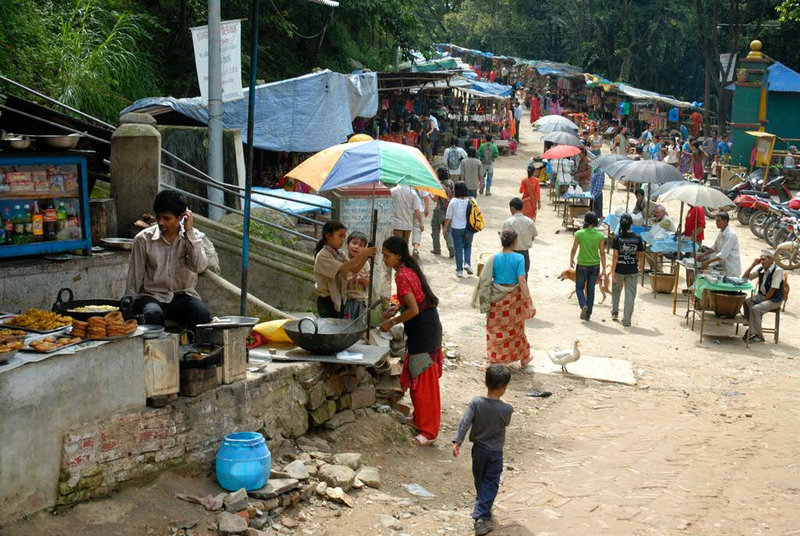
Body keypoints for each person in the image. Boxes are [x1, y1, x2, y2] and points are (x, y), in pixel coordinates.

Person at [379, 236, 443, 446]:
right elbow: (413, 298)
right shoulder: (407, 269)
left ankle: (429, 431)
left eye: (387, 255)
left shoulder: (402, 275)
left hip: (423, 330)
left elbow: (414, 309)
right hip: (426, 327)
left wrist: (392, 322)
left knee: (424, 382)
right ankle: (419, 419)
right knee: (418, 377)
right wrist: (397, 307)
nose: (384, 259)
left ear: (397, 255)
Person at [125, 190, 211, 328]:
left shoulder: (193, 237)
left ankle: (192, 349)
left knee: (200, 313)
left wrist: (189, 233)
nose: (160, 222)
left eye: (166, 218)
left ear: (181, 217)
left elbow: (199, 267)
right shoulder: (143, 240)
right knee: (152, 314)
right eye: (158, 217)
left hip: (182, 296)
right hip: (152, 296)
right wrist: (129, 301)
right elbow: (135, 278)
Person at [452, 365, 513, 536]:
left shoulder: (476, 403)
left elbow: (465, 423)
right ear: (504, 388)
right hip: (495, 453)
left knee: (480, 480)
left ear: (485, 382)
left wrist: (458, 441)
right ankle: (481, 516)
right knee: (491, 482)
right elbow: (505, 423)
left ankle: (482, 508)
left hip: (478, 451)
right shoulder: (507, 409)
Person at [473, 229, 534, 367]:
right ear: (514, 242)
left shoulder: (494, 258)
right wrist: (529, 301)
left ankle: (494, 358)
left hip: (496, 297)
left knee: (495, 328)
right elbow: (521, 280)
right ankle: (524, 357)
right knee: (517, 329)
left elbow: (487, 280)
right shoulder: (519, 258)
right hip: (514, 299)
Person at [313, 221, 375, 318]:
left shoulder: (339, 254)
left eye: (343, 237)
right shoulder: (323, 255)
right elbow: (344, 268)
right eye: (340, 236)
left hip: (338, 299)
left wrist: (366, 257)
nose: (342, 240)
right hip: (327, 301)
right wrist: (363, 254)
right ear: (328, 236)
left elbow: (354, 269)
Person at [741, 249, 784, 343]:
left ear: (771, 260)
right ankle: (752, 328)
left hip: (774, 299)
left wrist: (763, 300)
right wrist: (753, 265)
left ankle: (758, 336)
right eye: (761, 259)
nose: (761, 261)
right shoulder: (762, 268)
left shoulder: (777, 271)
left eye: (764, 259)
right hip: (762, 295)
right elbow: (745, 277)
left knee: (756, 309)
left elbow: (773, 290)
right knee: (747, 301)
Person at [570, 212, 607, 321]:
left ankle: (583, 305)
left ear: (585, 221)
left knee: (579, 287)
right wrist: (604, 268)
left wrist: (571, 259)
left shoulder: (579, 233)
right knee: (591, 289)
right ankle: (588, 313)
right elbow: (602, 253)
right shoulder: (600, 235)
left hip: (582, 265)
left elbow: (574, 249)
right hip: (595, 265)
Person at [610, 213, 644, 327]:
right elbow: (640, 255)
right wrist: (640, 265)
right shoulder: (638, 238)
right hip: (632, 270)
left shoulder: (617, 238)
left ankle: (614, 313)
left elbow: (615, 256)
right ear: (631, 224)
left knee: (616, 291)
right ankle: (627, 320)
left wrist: (612, 271)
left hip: (619, 269)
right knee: (630, 295)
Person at [444, 182, 474, 277]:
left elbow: (448, 216)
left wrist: (445, 227)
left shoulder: (453, 201)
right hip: (469, 228)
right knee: (468, 246)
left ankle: (459, 270)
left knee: (458, 249)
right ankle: (467, 264)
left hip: (456, 228)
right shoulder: (472, 200)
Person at [696, 212, 741, 276]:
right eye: (716, 221)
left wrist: (708, 262)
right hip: (723, 266)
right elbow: (715, 247)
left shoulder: (731, 235)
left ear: (725, 221)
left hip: (731, 267)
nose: (716, 223)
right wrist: (703, 254)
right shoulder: (721, 233)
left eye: (718, 221)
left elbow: (723, 254)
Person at [502, 198, 538, 276]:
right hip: (525, 254)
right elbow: (533, 236)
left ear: (512, 208)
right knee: (523, 277)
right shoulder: (529, 221)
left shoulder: (508, 222)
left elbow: (504, 239)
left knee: (511, 277)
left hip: (511, 253)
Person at [343, 231, 371, 320]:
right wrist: (352, 278)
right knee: (345, 325)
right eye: (354, 243)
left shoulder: (365, 264)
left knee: (358, 326)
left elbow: (368, 283)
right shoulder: (344, 261)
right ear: (347, 244)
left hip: (360, 301)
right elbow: (339, 281)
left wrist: (364, 280)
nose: (356, 247)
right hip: (346, 300)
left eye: (361, 245)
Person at [431, 167, 455, 257]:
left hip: (439, 210)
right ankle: (451, 247)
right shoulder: (452, 183)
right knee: (447, 230)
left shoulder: (440, 186)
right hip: (449, 210)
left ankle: (437, 249)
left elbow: (435, 199)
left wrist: (429, 194)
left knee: (435, 229)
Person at [411, 189, 430, 259]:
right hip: (419, 209)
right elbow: (426, 198)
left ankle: (403, 249)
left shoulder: (406, 182)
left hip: (407, 209)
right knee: (417, 229)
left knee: (406, 229)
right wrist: (427, 209)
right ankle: (415, 249)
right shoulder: (421, 183)